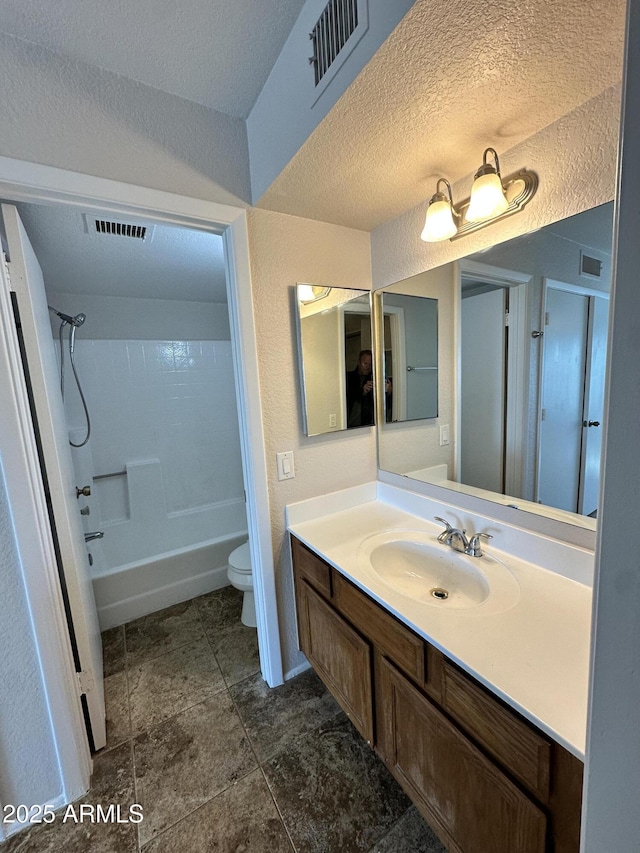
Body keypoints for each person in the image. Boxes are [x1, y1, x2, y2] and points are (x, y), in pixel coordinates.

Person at [346, 349, 374, 427]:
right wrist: (362, 391)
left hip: (367, 424)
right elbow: (348, 394)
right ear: (359, 362)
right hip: (349, 422)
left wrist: (388, 391)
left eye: (370, 364)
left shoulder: (374, 379)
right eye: (365, 363)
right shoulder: (348, 377)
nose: (367, 367)